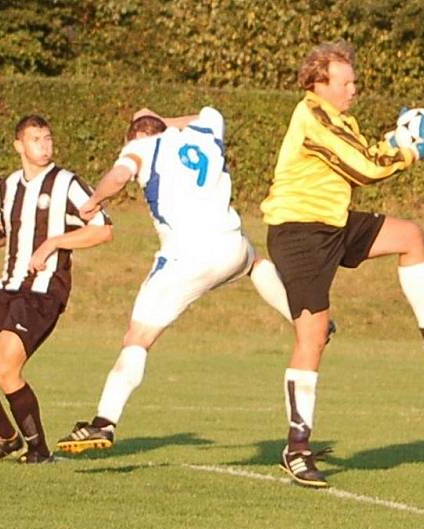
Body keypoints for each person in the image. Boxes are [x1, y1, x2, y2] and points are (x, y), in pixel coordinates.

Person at [260, 40, 424, 489]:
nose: (353, 89)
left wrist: (399, 141)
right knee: (313, 337)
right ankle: (297, 449)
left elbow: (367, 155)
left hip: (332, 223)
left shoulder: (340, 120)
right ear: (318, 83)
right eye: (345, 82)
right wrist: (410, 147)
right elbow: (363, 168)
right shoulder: (312, 116)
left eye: (354, 82)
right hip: (299, 233)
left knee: (410, 236)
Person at [56, 106, 300, 453]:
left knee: (137, 337)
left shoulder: (142, 146)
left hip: (186, 256)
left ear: (137, 136)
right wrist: (159, 121)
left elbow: (119, 176)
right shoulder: (207, 130)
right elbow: (207, 114)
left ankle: (103, 423)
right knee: (255, 262)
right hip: (231, 244)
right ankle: (302, 319)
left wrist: (95, 200)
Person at [0, 114, 113, 463]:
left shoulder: (67, 183)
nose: (45, 145)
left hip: (44, 290)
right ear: (19, 146)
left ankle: (38, 450)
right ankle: (6, 437)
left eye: (48, 138)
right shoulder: (6, 187)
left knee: (7, 366)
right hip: (7, 287)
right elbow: (9, 237)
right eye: (36, 139)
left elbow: (102, 229)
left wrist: (55, 243)